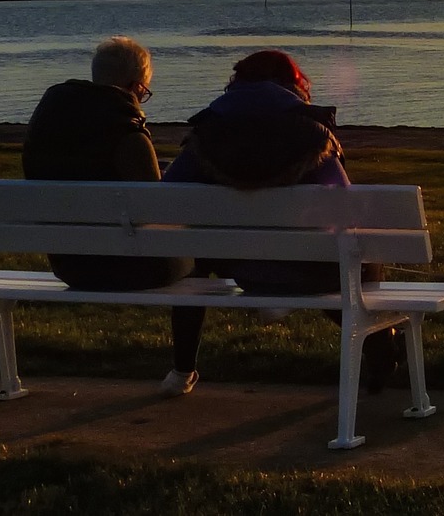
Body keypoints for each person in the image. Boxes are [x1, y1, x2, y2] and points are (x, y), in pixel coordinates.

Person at [160, 50, 398, 397]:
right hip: (308, 268)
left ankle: (182, 370)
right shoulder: (312, 133)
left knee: (198, 261)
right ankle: (381, 346)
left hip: (239, 267)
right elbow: (344, 207)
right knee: (351, 260)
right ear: (293, 84)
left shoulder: (206, 133)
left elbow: (167, 197)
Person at [22, 35, 194, 291]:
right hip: (133, 267)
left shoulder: (48, 124)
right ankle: (188, 333)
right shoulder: (128, 134)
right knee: (199, 248)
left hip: (69, 265)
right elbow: (154, 211)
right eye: (144, 92)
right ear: (135, 86)